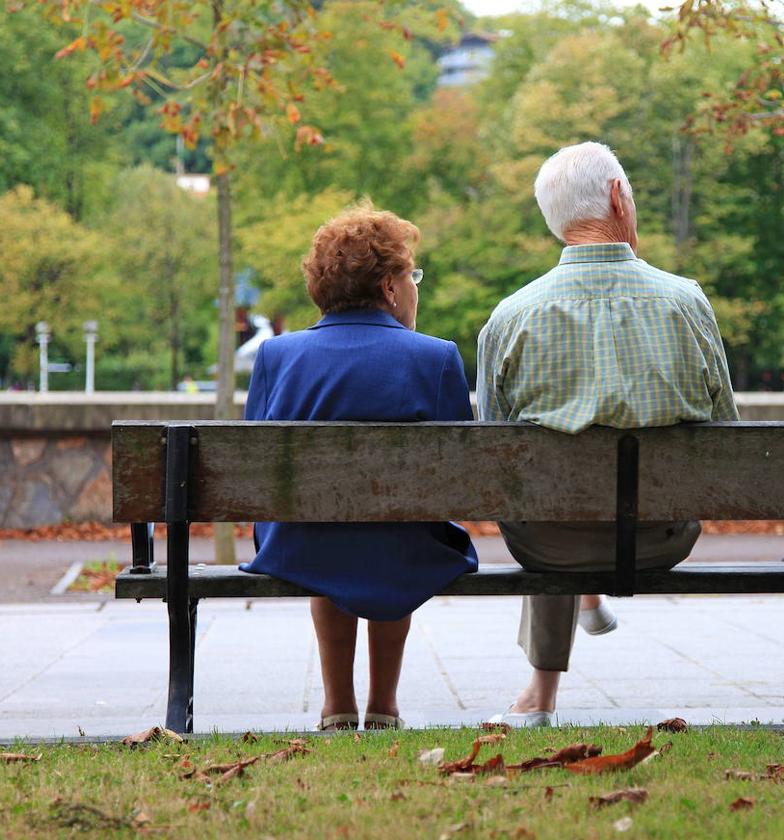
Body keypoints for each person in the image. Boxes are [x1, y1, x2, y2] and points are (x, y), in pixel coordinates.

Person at [477, 141, 738, 726]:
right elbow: (728, 435)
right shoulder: (687, 303)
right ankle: (580, 618)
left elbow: (494, 458)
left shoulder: (510, 317)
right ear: (620, 197)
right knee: (565, 500)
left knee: (547, 504)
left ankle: (541, 693)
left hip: (549, 543)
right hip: (661, 537)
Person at [240, 205, 478, 732]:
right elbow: (458, 480)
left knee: (326, 535)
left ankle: (337, 705)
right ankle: (385, 706)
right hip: (405, 545)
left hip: (300, 545)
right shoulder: (436, 358)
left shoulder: (276, 357)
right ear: (390, 288)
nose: (415, 287)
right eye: (412, 275)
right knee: (397, 531)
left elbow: (256, 473)